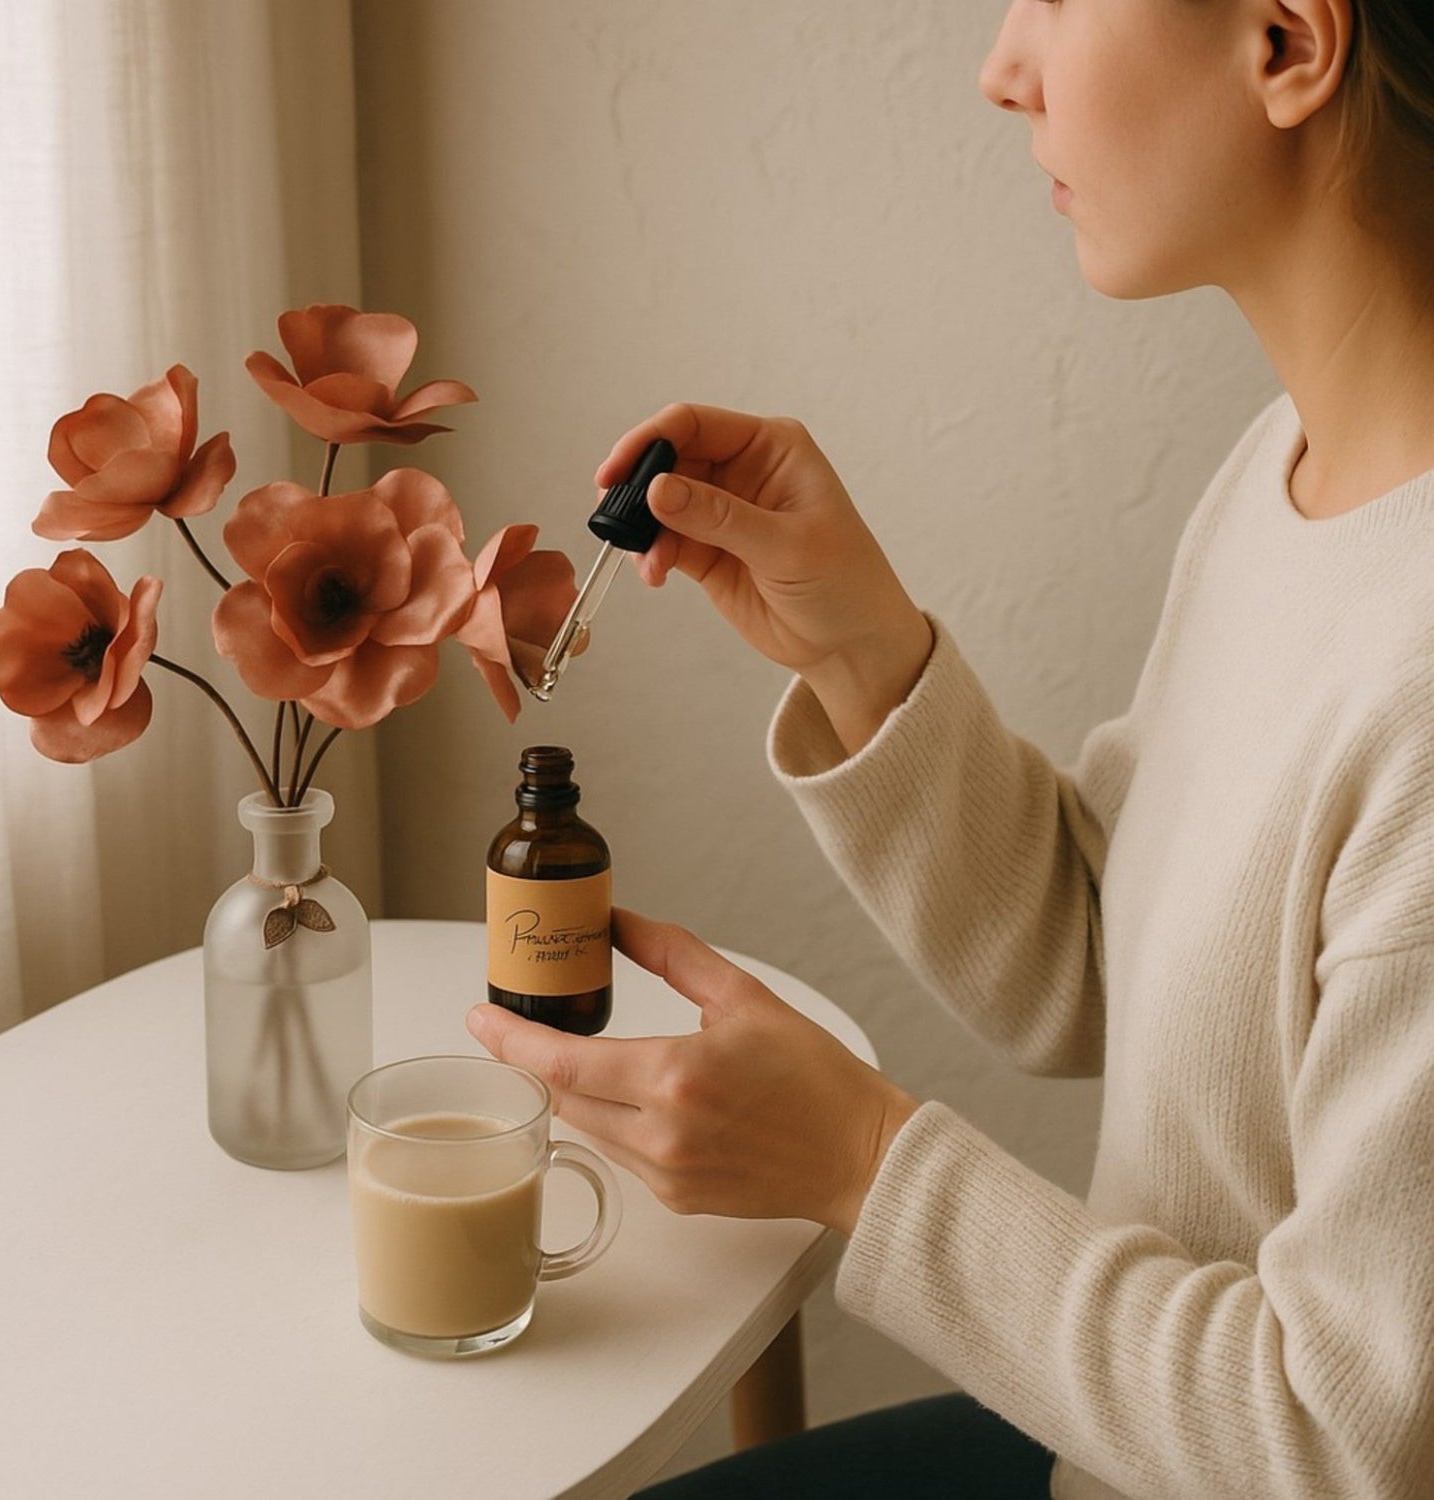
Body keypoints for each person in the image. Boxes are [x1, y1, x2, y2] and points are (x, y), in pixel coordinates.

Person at [466, 0, 1434, 1494]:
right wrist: (861, 649)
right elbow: (1099, 971)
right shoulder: (1289, 473)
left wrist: (863, 1164)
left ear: (1288, 43)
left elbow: (1346, 1437)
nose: (1001, 70)